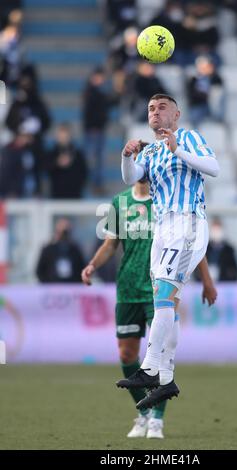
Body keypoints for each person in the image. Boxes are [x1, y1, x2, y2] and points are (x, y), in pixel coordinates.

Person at [82, 142, 217, 439]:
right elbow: (110, 243)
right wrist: (92, 265)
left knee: (162, 352)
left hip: (157, 287)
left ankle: (157, 418)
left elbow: (191, 244)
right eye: (142, 158)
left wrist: (206, 280)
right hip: (128, 287)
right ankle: (143, 411)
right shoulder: (119, 202)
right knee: (127, 352)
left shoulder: (166, 200)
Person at [117, 93, 219, 409]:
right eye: (151, 108)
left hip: (187, 221)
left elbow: (213, 168)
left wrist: (180, 150)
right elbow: (131, 177)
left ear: (176, 114)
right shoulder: (153, 150)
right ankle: (166, 377)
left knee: (163, 293)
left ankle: (149, 367)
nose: (156, 112)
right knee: (167, 302)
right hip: (162, 228)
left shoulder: (189, 137)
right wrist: (126, 156)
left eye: (162, 107)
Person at [36, 218, 85, 283]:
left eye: (65, 232)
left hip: (72, 287)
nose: (63, 236)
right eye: (61, 232)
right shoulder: (48, 250)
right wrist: (47, 285)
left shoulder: (75, 250)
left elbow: (82, 269)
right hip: (52, 287)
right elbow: (40, 271)